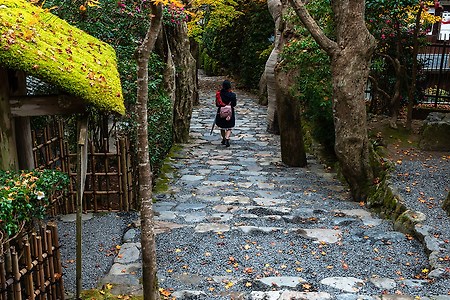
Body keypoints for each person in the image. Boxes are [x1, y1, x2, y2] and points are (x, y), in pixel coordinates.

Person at [215, 80, 237, 147]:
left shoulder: (219, 94)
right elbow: (234, 104)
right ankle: (227, 138)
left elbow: (217, 104)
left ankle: (224, 138)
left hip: (221, 112)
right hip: (229, 113)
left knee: (222, 127)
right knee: (229, 127)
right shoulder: (232, 95)